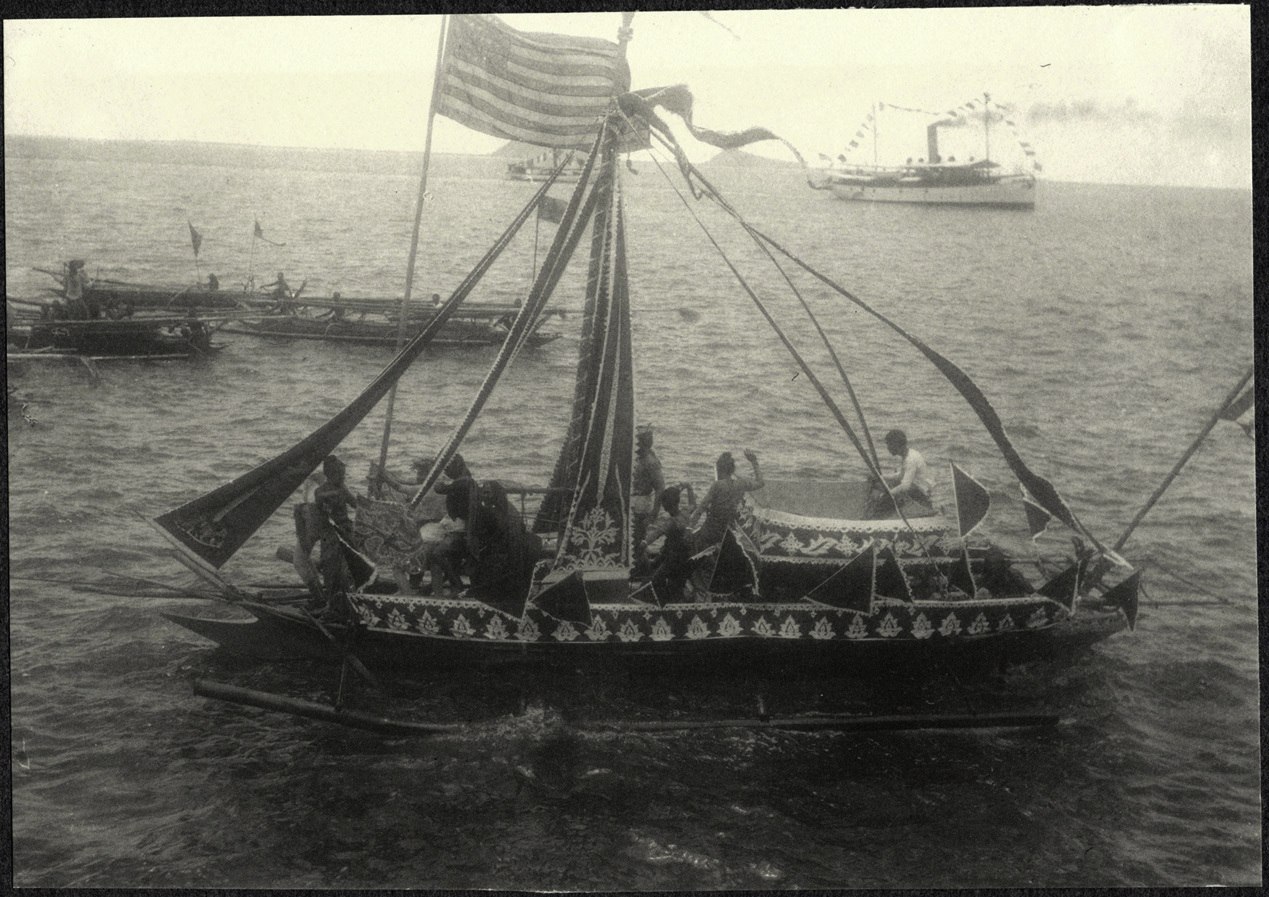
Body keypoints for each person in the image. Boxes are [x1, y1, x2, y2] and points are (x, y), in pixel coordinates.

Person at [689, 449, 763, 549]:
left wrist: (689, 528)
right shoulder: (741, 484)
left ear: (719, 469)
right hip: (728, 531)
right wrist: (754, 461)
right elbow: (760, 482)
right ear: (732, 470)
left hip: (712, 530)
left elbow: (701, 508)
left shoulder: (717, 485)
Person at [638, 483, 696, 602]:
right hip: (685, 557)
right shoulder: (686, 513)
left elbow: (657, 533)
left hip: (673, 560)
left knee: (653, 581)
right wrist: (689, 487)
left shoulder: (671, 522)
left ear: (665, 506)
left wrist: (644, 543)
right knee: (658, 566)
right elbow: (693, 504)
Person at [312, 455, 358, 601]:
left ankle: (351, 595)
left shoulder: (341, 489)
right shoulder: (320, 492)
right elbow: (323, 507)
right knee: (331, 568)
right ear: (331, 475)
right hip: (330, 533)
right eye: (341, 476)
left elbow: (355, 504)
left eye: (344, 475)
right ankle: (333, 600)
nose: (343, 478)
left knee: (351, 566)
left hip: (346, 530)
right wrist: (340, 492)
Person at [867, 429, 935, 518]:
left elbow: (905, 486)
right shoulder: (908, 455)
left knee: (885, 498)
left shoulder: (910, 459)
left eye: (889, 445)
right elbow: (900, 476)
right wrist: (881, 477)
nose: (888, 448)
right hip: (916, 487)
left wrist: (888, 494)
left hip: (921, 492)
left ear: (896, 445)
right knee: (884, 487)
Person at [630, 425, 665, 548]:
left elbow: (660, 488)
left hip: (641, 503)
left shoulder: (651, 462)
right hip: (634, 502)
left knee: (637, 538)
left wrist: (654, 514)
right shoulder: (638, 457)